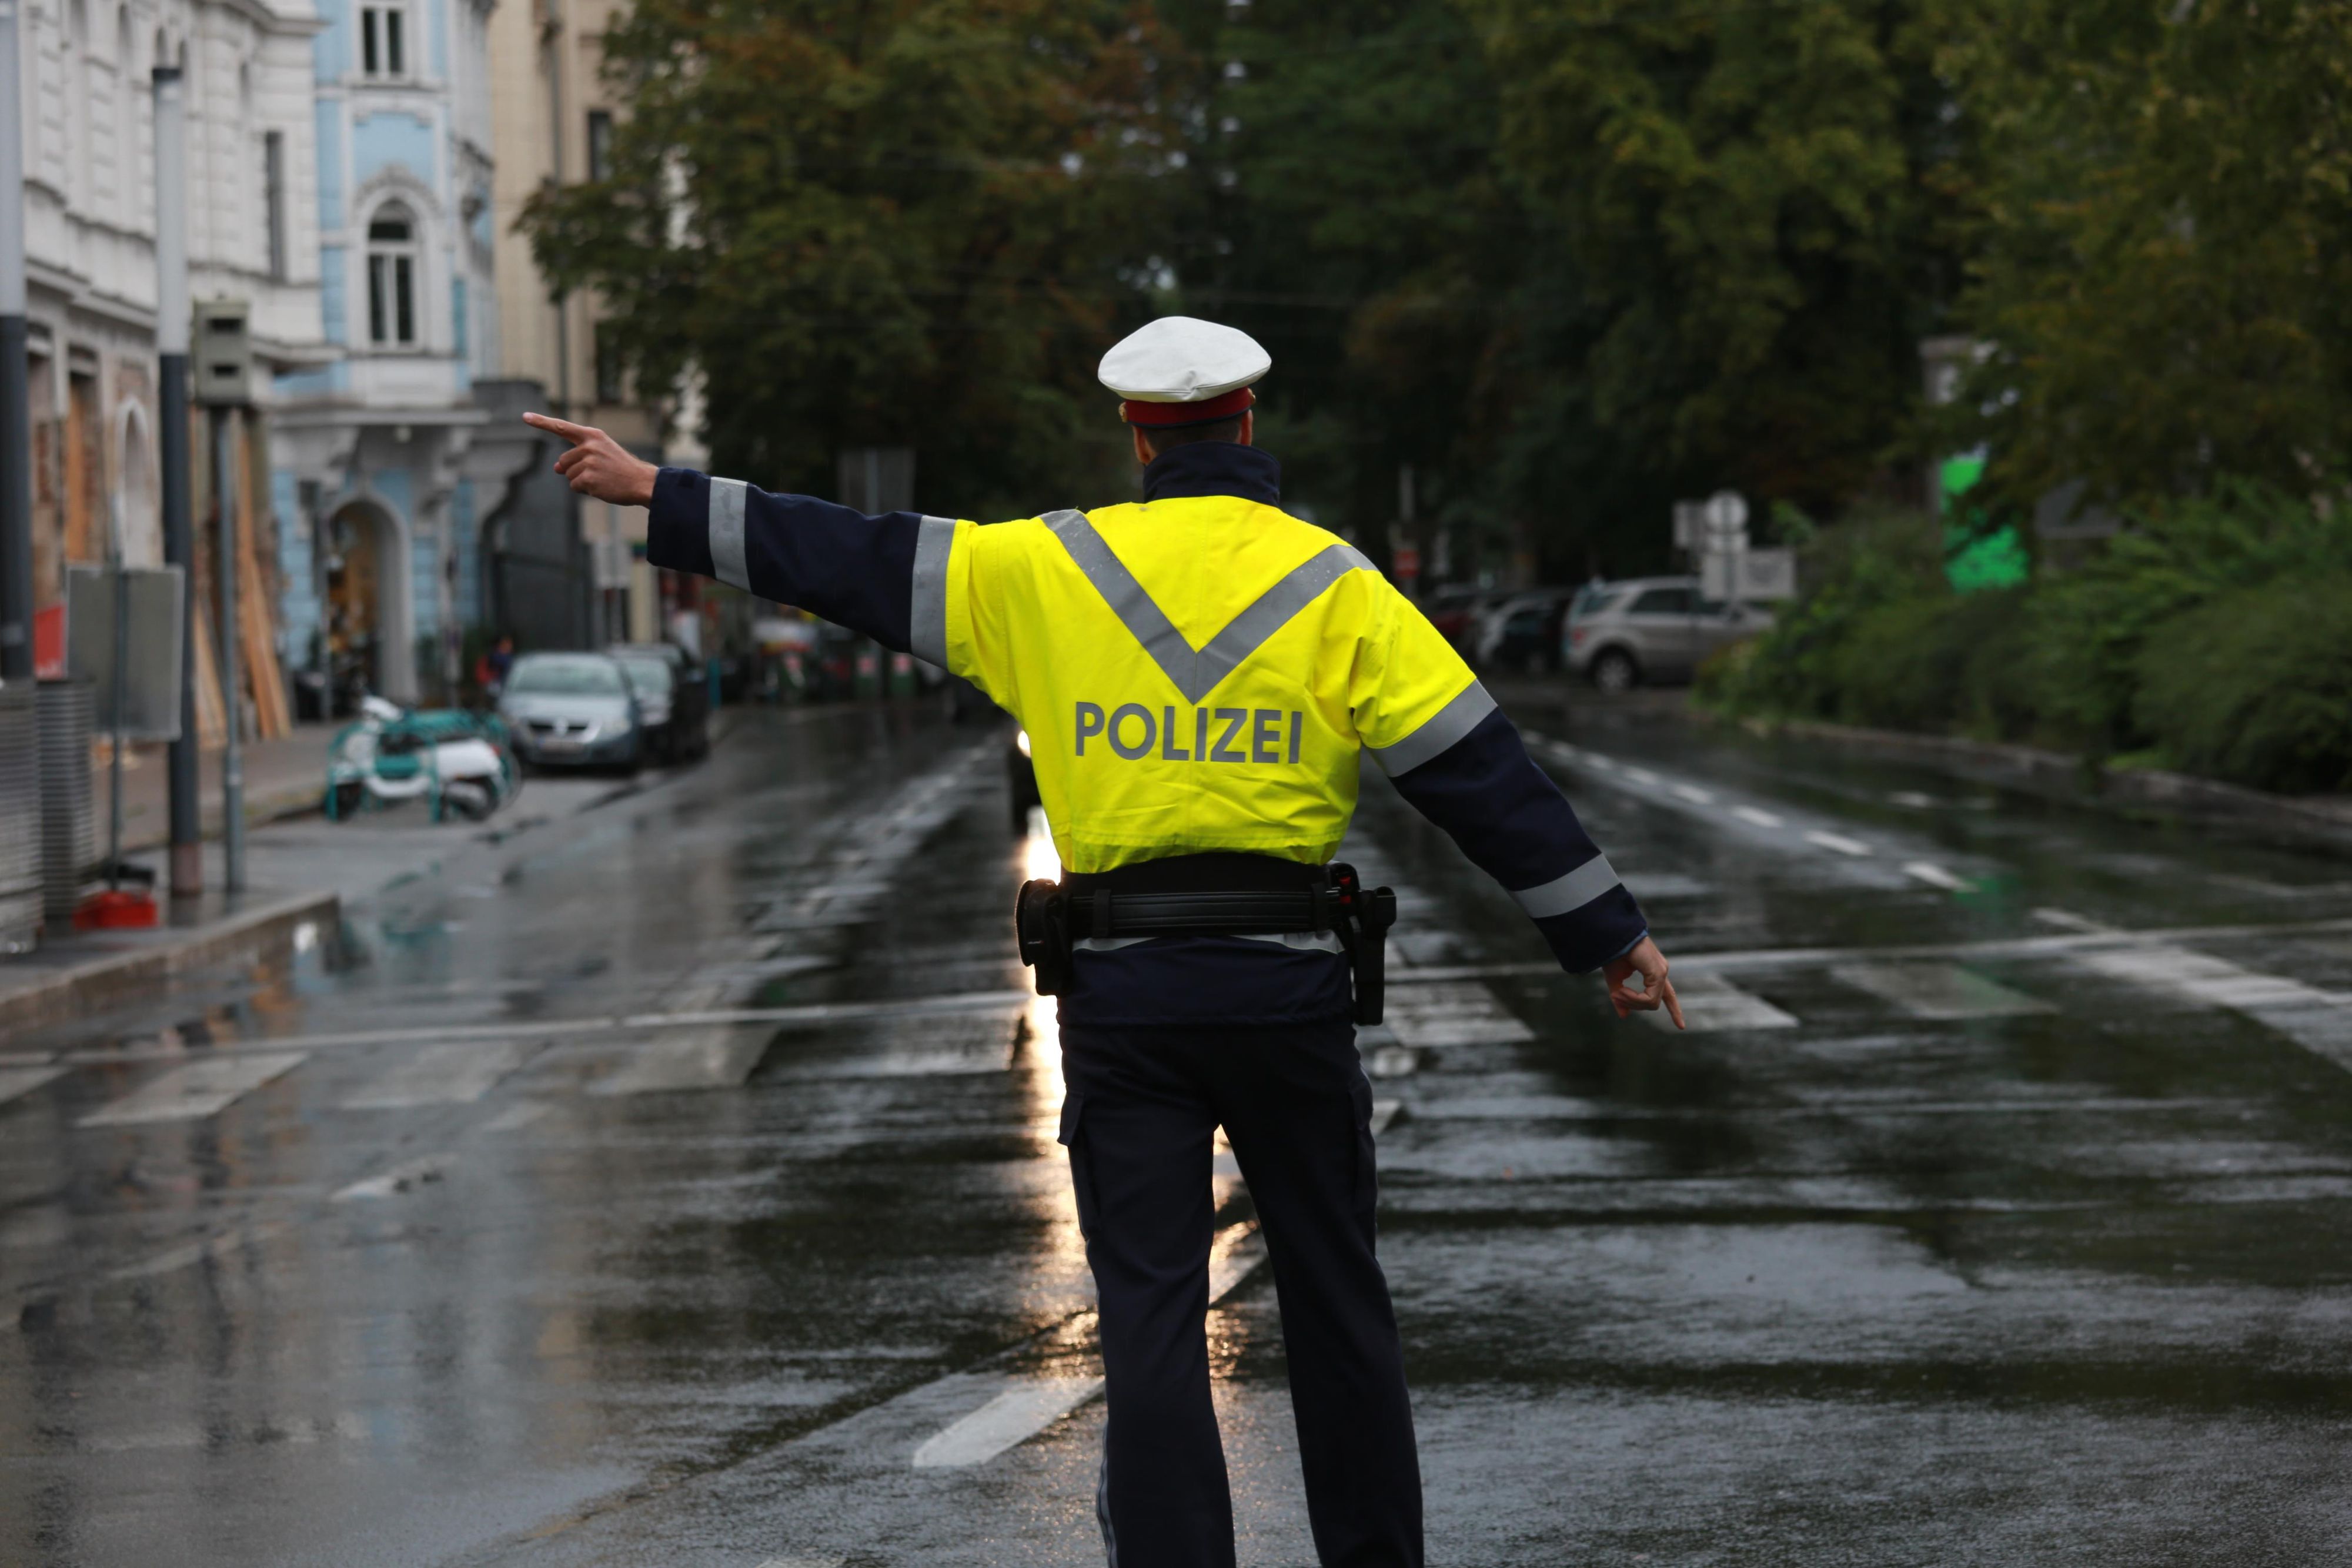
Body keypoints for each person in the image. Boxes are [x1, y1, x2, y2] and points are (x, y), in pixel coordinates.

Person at [522, 316, 1684, 1568]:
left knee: (1146, 1317)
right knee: (1338, 1304)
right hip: (1288, 995)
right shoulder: (1334, 580)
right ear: (1246, 422)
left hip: (1126, 1004)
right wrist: (1604, 932)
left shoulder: (1042, 571)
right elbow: (1478, 773)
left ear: (1136, 432)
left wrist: (658, 490)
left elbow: (847, 554)